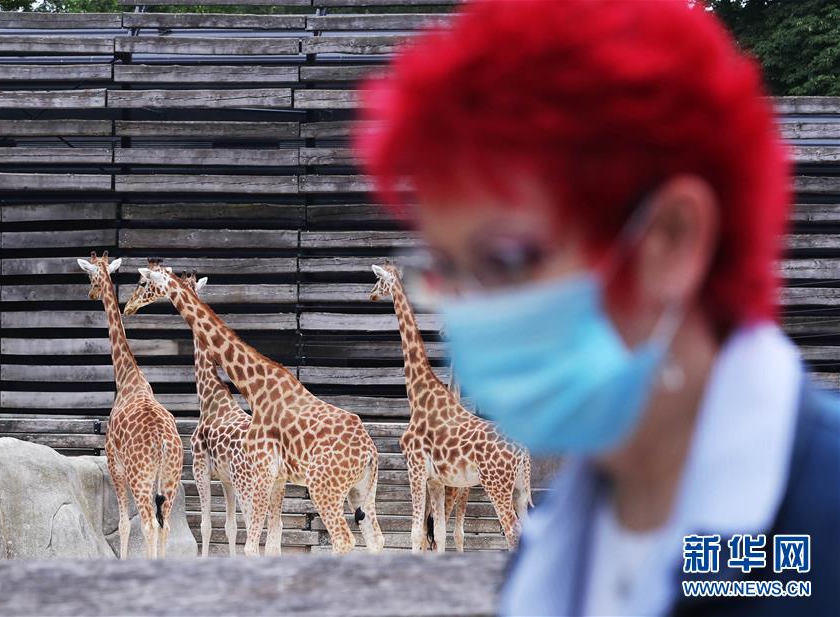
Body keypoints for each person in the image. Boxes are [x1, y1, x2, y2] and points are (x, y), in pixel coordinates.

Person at [354, 1, 840, 616]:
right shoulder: (552, 541)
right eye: (447, 270)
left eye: (505, 260)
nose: (467, 313)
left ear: (671, 240)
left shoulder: (822, 521)